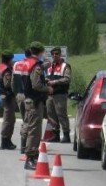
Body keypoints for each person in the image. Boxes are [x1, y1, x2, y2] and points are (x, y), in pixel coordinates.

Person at [22, 41, 54, 170]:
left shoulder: (26, 63)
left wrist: (43, 80)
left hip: (29, 99)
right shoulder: (36, 65)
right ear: (40, 52)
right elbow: (35, 84)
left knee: (32, 129)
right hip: (35, 101)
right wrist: (47, 89)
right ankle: (30, 158)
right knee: (34, 131)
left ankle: (32, 156)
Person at [44, 47, 72, 143]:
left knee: (61, 114)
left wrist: (54, 82)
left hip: (60, 94)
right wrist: (46, 80)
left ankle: (66, 135)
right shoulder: (50, 67)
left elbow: (67, 79)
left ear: (60, 55)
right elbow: (47, 78)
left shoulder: (65, 66)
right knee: (51, 115)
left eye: (57, 54)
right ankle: (55, 135)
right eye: (53, 54)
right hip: (50, 95)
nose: (55, 56)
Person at [0, 50, 17, 150]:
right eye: (11, 59)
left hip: (3, 95)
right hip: (7, 96)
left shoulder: (0, 67)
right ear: (8, 59)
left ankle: (7, 140)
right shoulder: (7, 70)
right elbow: (8, 84)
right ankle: (5, 141)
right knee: (9, 119)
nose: (12, 61)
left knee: (10, 118)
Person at [11, 48, 32, 153]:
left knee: (25, 119)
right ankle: (25, 145)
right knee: (28, 121)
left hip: (19, 95)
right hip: (28, 96)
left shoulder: (16, 64)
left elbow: (13, 82)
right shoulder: (32, 65)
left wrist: (15, 93)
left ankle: (24, 144)